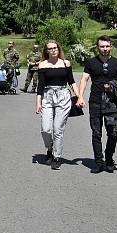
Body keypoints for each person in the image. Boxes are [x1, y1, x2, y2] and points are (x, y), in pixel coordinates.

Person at [76, 35, 117, 174]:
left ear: (111, 47)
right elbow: (84, 79)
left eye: (107, 46)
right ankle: (99, 162)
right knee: (96, 133)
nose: (105, 49)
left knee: (113, 133)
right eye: (102, 46)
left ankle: (109, 158)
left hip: (112, 103)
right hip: (95, 102)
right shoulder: (91, 62)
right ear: (97, 47)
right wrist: (80, 96)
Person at [35, 40, 80, 170]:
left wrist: (79, 97)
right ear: (46, 51)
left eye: (55, 48)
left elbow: (71, 81)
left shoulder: (66, 63)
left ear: (59, 49)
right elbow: (40, 86)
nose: (53, 50)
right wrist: (38, 102)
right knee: (46, 129)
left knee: (58, 129)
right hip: (47, 96)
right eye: (50, 49)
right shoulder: (42, 65)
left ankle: (57, 157)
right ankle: (49, 149)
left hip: (63, 96)